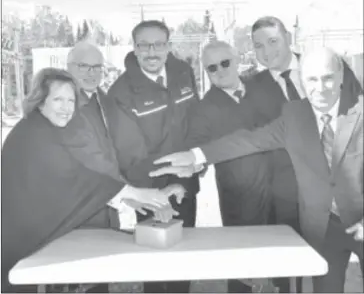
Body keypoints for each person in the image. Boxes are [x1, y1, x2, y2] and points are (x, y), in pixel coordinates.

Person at [150, 47, 364, 293]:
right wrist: (195, 155)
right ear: (303, 81)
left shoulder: (359, 111)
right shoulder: (295, 115)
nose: (321, 87)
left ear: (341, 77)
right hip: (323, 228)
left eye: (328, 78)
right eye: (312, 79)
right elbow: (249, 140)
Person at [1, 68, 170, 293]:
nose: (66, 108)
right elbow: (76, 178)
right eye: (58, 99)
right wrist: (137, 194)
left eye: (71, 100)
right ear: (40, 101)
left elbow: (77, 179)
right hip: (19, 236)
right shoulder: (35, 135)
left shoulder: (43, 127)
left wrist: (134, 198)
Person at [107, 20, 200, 293]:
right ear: (134, 49)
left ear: (169, 47)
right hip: (150, 194)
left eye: (159, 44)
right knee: (155, 267)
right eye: (144, 45)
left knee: (183, 261)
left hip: (186, 186)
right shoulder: (121, 93)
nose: (151, 52)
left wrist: (190, 176)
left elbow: (196, 125)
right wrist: (153, 196)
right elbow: (129, 152)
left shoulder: (183, 72)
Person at [187, 40, 274, 293]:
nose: (220, 70)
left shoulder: (263, 89)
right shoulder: (204, 108)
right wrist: (189, 169)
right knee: (243, 268)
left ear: (237, 60)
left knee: (282, 260)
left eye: (225, 63)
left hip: (279, 192)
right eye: (212, 68)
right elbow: (196, 150)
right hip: (241, 199)